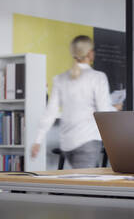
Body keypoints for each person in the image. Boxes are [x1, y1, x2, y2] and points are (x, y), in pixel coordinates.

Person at [31, 35, 121, 168]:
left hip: (67, 143)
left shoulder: (60, 79)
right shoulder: (97, 78)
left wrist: (37, 140)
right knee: (85, 186)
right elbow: (104, 111)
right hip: (87, 140)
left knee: (79, 183)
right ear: (90, 53)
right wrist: (116, 108)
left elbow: (49, 113)